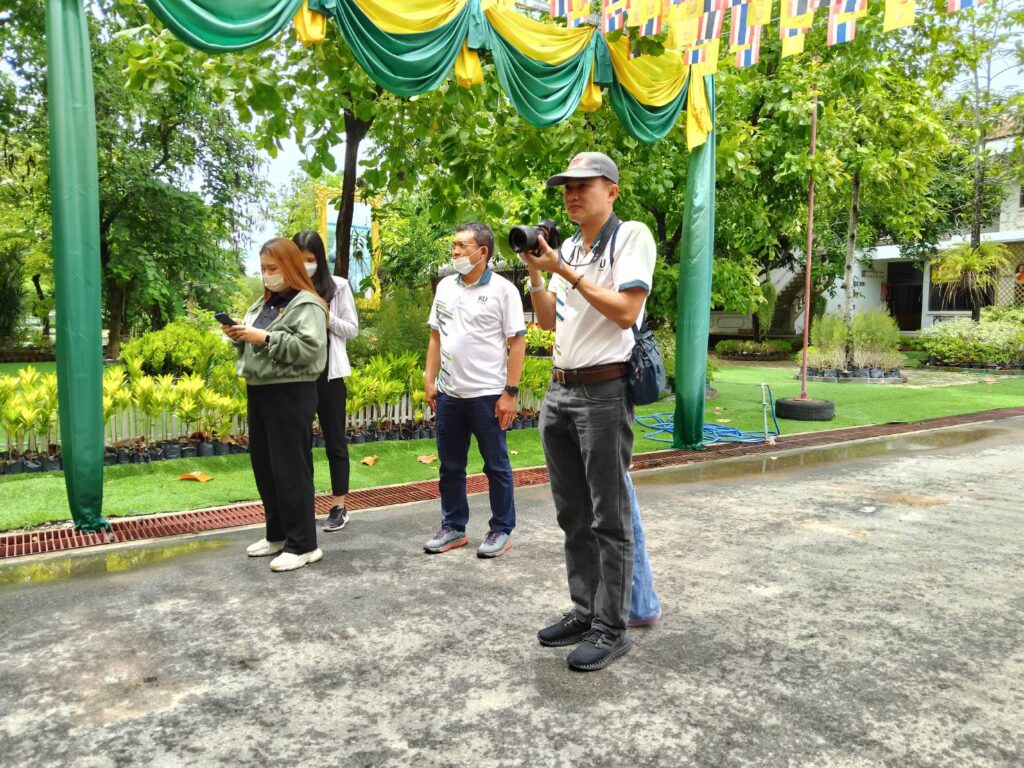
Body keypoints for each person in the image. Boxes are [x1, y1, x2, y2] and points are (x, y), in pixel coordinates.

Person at [522, 151, 658, 671]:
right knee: (571, 513)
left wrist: (566, 271)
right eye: (567, 186)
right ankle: (585, 610)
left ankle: (611, 627)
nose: (573, 193)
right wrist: (539, 274)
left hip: (603, 392)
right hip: (560, 392)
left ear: (612, 191)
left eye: (585, 184)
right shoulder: (570, 248)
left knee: (609, 516)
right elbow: (548, 322)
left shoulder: (631, 237)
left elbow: (626, 312)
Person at [223, 237, 328, 572]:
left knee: (290, 468)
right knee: (266, 466)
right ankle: (278, 535)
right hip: (261, 389)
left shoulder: (306, 304)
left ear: (290, 267)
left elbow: (311, 349)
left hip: (291, 391)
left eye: (273, 268)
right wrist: (240, 335)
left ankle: (304, 544)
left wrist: (265, 337)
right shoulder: (264, 303)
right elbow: (258, 344)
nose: (267, 275)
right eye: (263, 269)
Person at [423, 222, 527, 558]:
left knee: (495, 465)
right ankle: (453, 526)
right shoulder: (444, 288)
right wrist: (430, 377)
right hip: (450, 394)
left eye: (461, 246)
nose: (454, 251)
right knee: (450, 466)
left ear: (482, 252)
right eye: (453, 245)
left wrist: (510, 392)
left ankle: (501, 529)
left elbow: (517, 342)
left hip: (487, 395)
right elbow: (436, 336)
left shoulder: (503, 290)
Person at [293, 230, 359, 533]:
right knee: (299, 444)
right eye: (300, 259)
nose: (307, 265)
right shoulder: (289, 288)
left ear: (320, 258)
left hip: (330, 376)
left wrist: (327, 315)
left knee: (335, 441)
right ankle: (301, 505)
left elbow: (353, 329)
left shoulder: (339, 287)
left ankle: (339, 505)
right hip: (298, 377)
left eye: (311, 260)